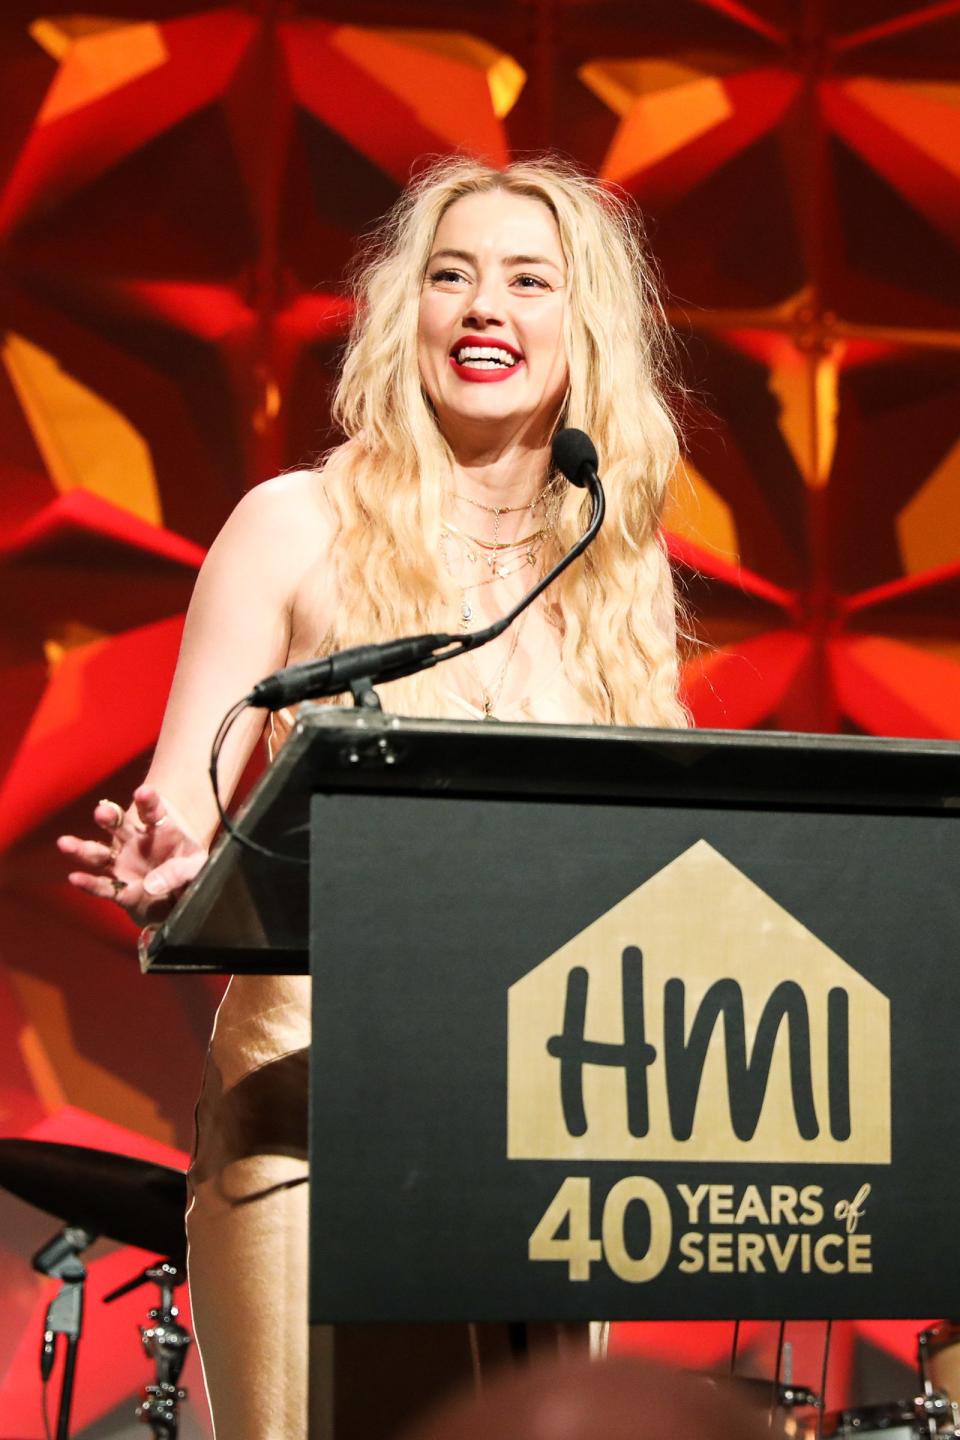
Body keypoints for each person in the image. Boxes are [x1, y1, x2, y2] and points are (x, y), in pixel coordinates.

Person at [57, 155, 687, 1439]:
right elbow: (184, 791)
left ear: (586, 331)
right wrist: (169, 858)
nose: (481, 307)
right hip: (309, 1107)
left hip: (543, 1129)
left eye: (526, 279)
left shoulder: (613, 576)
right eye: (448, 277)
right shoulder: (294, 526)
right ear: (408, 312)